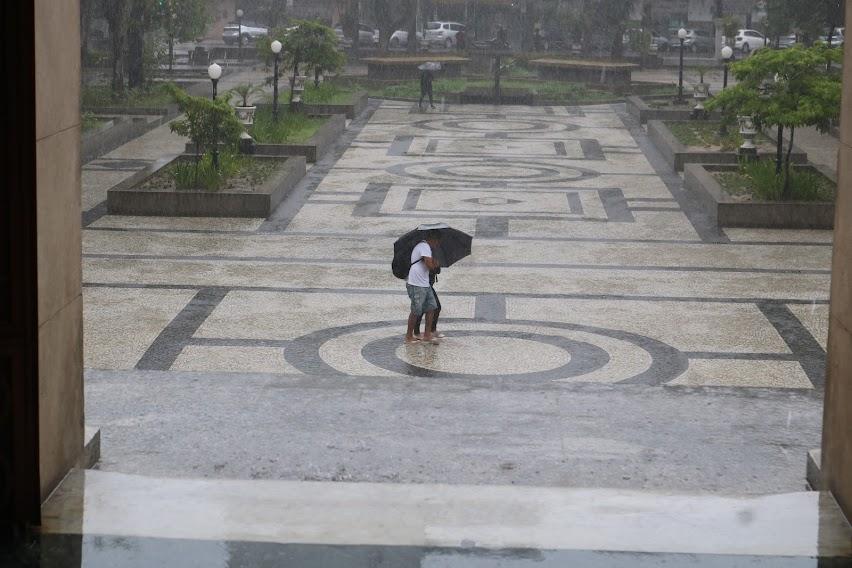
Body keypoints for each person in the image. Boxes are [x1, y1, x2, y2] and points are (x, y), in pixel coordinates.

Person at [405, 231, 441, 344]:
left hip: (424, 283)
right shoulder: (424, 246)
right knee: (416, 310)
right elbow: (428, 264)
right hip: (416, 283)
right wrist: (435, 265)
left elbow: (428, 262)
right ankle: (409, 336)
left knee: (431, 307)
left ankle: (427, 334)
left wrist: (433, 263)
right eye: (438, 241)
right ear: (433, 239)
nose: (438, 244)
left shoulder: (425, 247)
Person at [413, 265, 443, 339]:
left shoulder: (434, 255)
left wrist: (436, 264)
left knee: (434, 307)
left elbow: (437, 271)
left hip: (428, 284)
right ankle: (417, 332)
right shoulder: (425, 256)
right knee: (435, 306)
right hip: (422, 283)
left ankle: (431, 330)